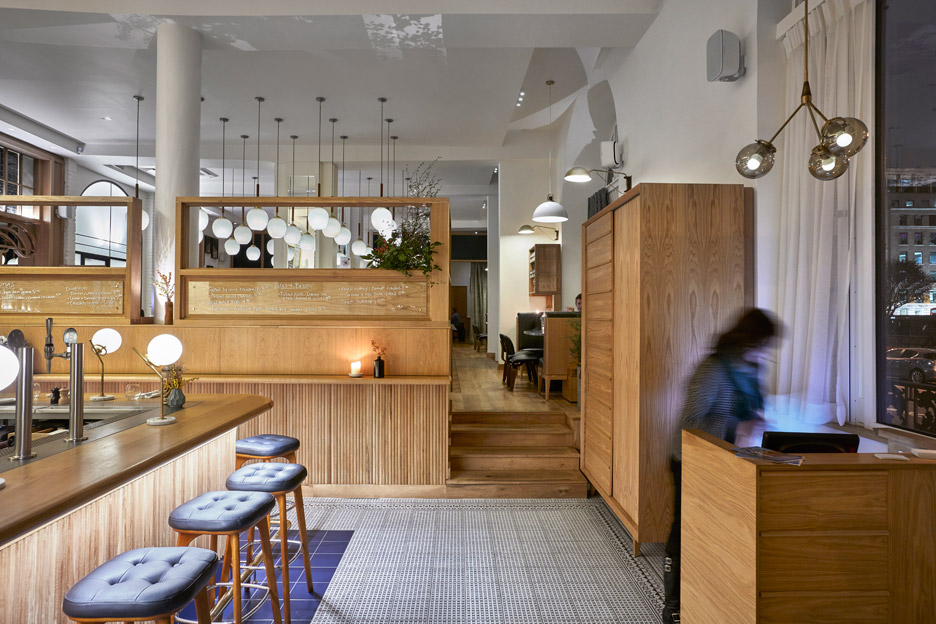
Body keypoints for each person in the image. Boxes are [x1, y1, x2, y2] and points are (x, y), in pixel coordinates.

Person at [661, 308, 779, 624]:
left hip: (733, 461)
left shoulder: (752, 371)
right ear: (748, 338)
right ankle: (673, 606)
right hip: (693, 460)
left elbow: (752, 411)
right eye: (763, 343)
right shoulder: (712, 369)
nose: (765, 351)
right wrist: (735, 427)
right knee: (685, 529)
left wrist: (755, 424)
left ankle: (711, 599)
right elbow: (689, 422)